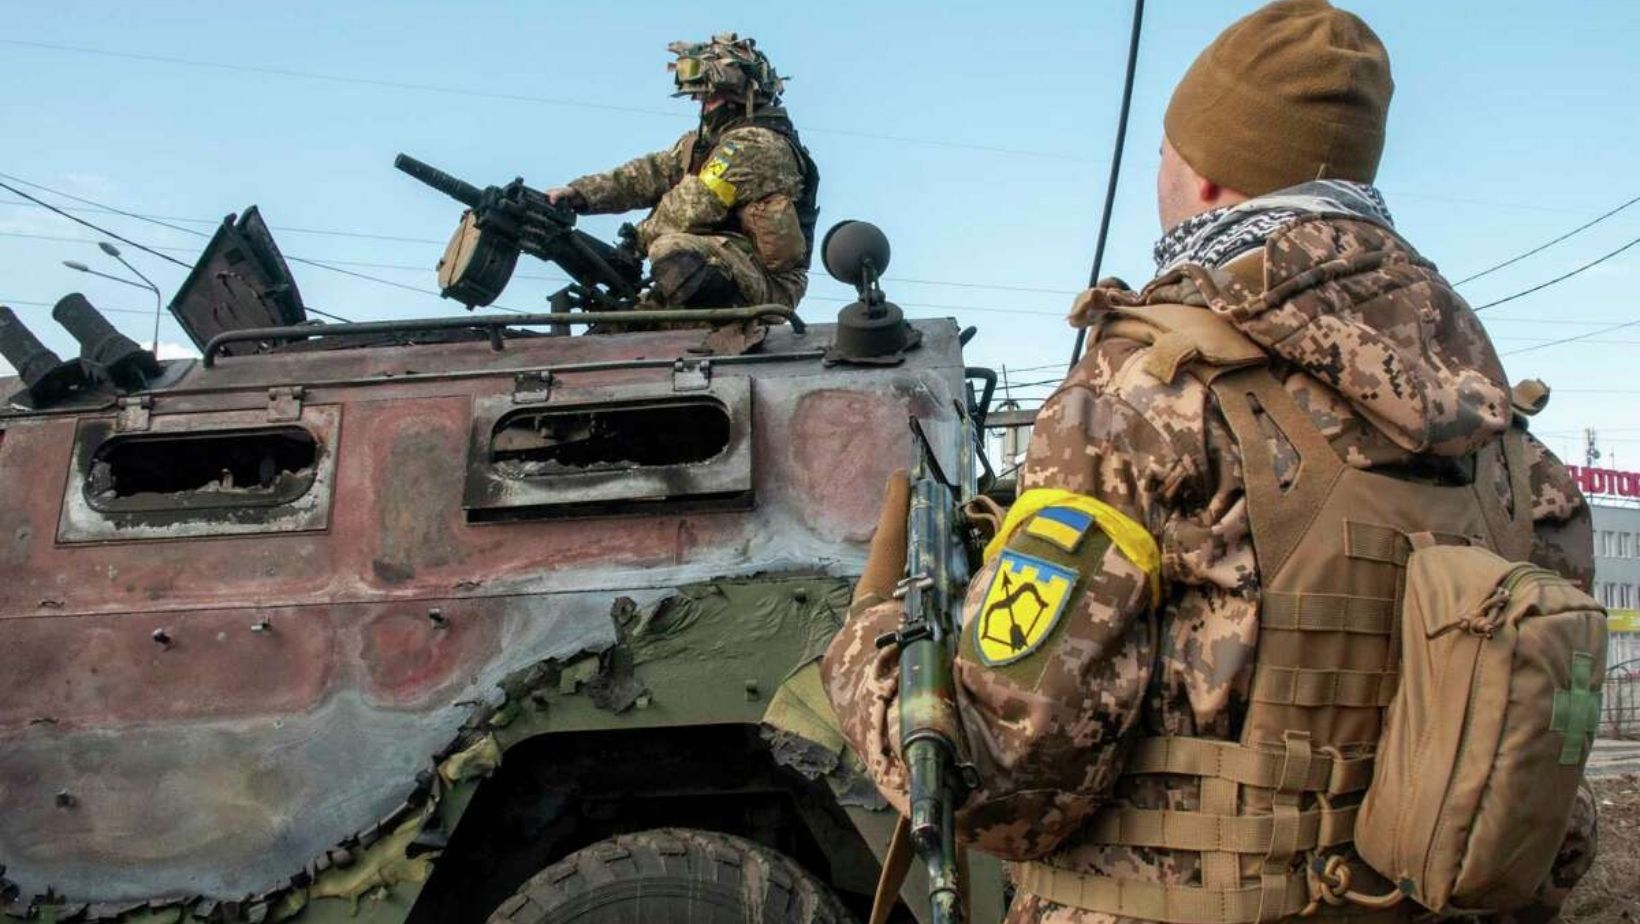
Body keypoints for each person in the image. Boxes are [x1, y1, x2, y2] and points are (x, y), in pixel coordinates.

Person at [820, 2, 1598, 922]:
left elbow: (998, 781)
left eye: (1164, 151)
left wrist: (870, 642)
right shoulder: (1508, 442)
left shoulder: (1141, 397)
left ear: (1210, 175)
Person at [545, 33, 819, 311]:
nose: (701, 104)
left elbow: (695, 203)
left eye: (709, 96)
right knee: (625, 321)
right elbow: (649, 174)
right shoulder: (706, 142)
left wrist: (633, 245)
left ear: (738, 95)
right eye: (699, 96)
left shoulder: (757, 145)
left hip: (767, 284)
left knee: (669, 248)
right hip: (719, 262)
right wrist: (580, 193)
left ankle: (715, 321)